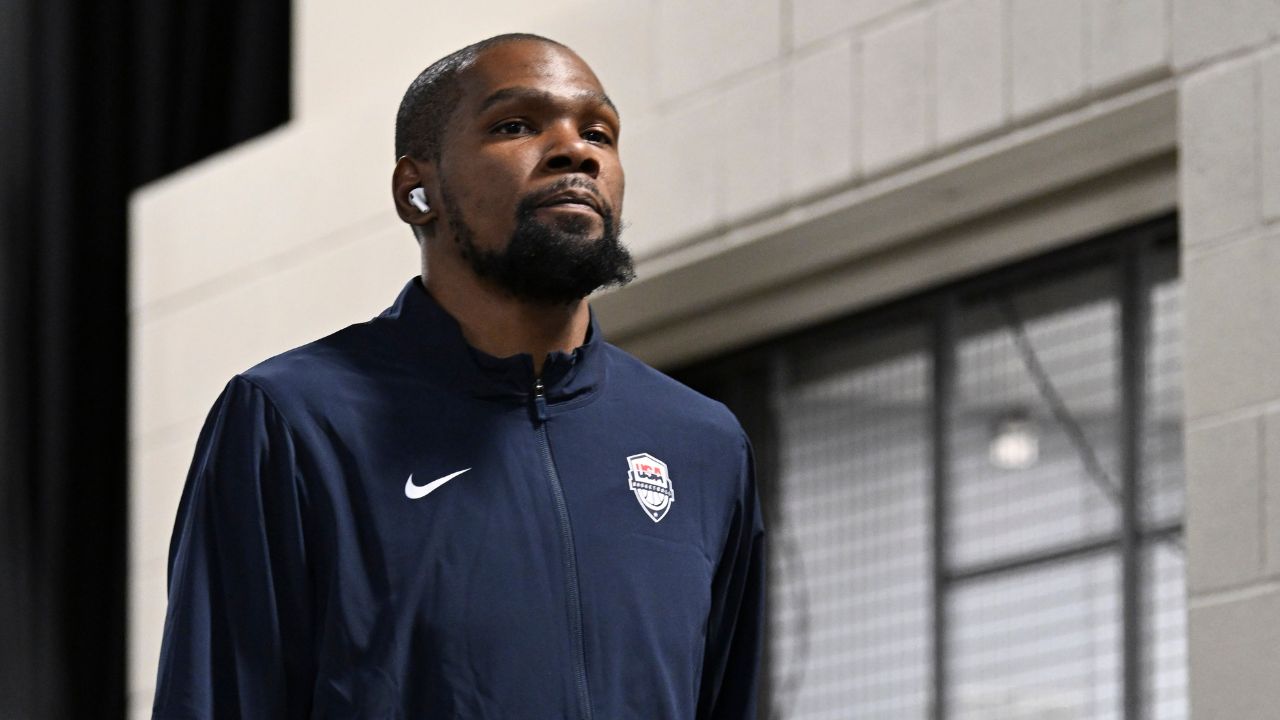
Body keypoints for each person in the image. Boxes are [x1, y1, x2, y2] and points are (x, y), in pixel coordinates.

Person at [151, 33, 765, 719]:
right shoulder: (293, 420)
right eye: (515, 126)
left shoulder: (703, 446)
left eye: (600, 132)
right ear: (418, 191)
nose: (576, 151)